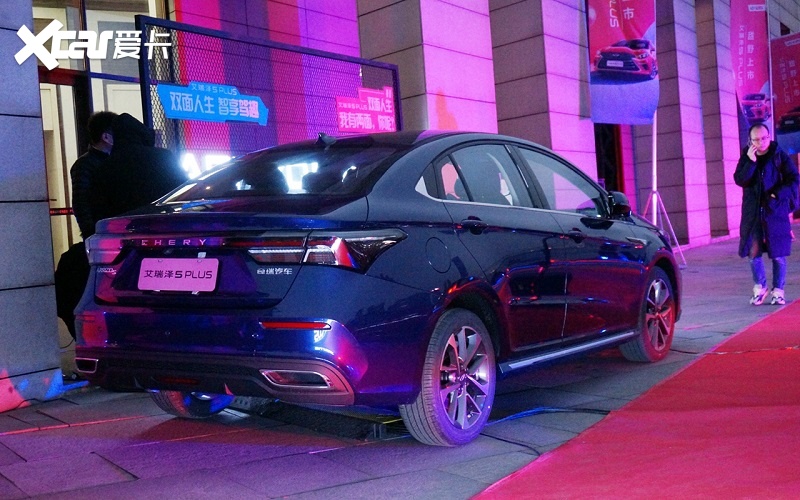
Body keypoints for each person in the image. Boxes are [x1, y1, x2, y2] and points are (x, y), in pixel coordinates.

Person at [734, 123, 800, 306]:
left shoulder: (779, 155)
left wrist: (776, 194)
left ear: (769, 136)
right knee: (753, 253)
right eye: (756, 139)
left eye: (764, 138)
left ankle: (778, 291)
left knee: (778, 254)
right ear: (750, 141)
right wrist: (750, 161)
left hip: (775, 211)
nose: (761, 142)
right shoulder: (747, 156)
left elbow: (794, 179)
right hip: (752, 214)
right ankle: (760, 288)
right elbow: (740, 179)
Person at [95, 113, 187, 220]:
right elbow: (183, 189)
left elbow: (99, 207)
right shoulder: (163, 157)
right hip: (164, 220)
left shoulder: (105, 167)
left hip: (125, 225)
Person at [70, 111, 117, 239]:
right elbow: (81, 202)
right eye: (117, 133)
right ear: (106, 137)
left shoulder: (109, 161)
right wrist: (90, 232)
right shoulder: (85, 164)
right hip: (100, 231)